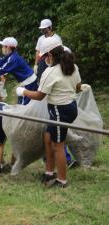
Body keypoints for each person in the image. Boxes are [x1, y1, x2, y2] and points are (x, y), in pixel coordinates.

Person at [16, 37, 82, 188]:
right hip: (70, 107)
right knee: (47, 137)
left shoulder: (51, 72)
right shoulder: (72, 67)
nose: (44, 59)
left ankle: (62, 180)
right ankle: (49, 172)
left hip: (60, 111)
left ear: (50, 56)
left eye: (45, 56)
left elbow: (39, 96)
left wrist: (23, 92)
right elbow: (78, 87)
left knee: (58, 145)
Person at [0, 37, 38, 105]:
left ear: (8, 48)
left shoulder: (13, 59)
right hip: (27, 81)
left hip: (29, 83)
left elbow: (2, 70)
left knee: (24, 104)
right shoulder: (10, 55)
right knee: (23, 102)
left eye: (3, 47)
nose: (2, 48)